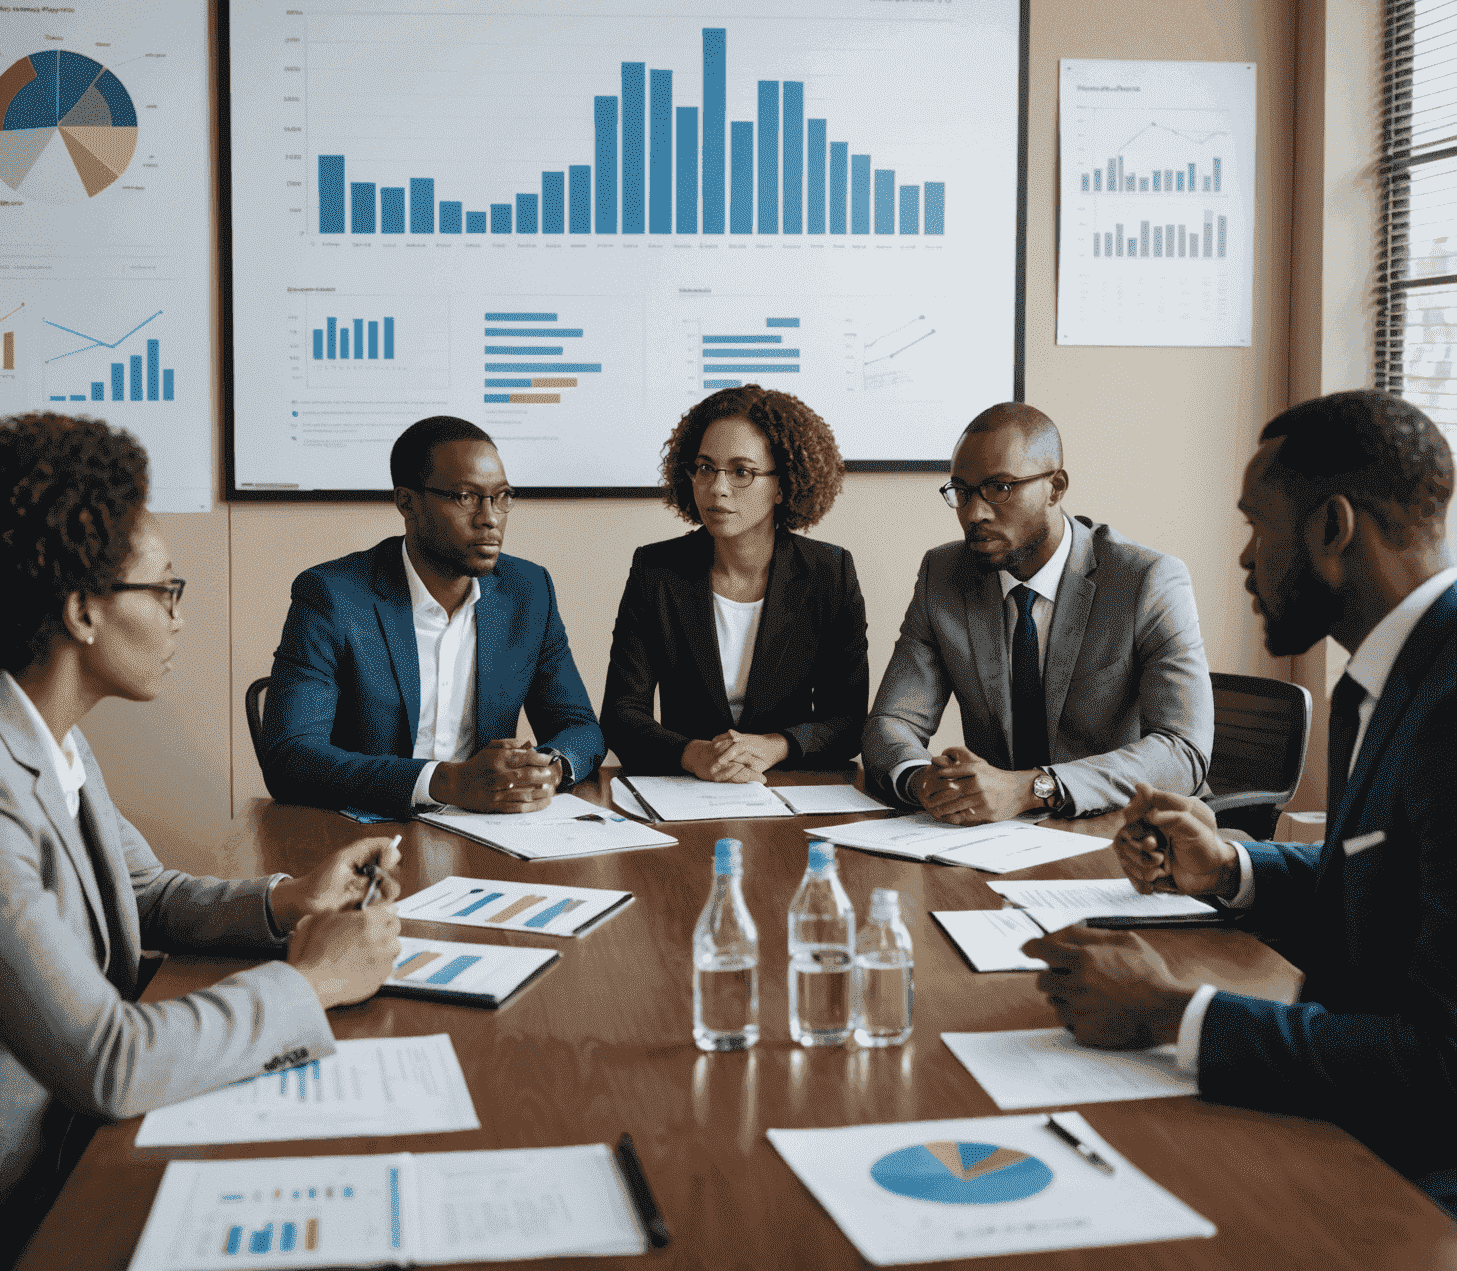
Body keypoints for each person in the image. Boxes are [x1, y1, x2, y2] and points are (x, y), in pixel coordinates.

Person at [0, 414, 402, 1271]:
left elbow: (143, 895)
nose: (179, 618)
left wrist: (286, 900)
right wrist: (311, 982)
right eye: (164, 590)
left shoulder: (42, 732)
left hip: (68, 1139)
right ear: (81, 610)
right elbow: (107, 1060)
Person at [1027, 390, 1457, 1213]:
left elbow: (1444, 1068)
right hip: (1343, 1123)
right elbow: (1388, 883)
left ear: (1332, 528)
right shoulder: (1391, 673)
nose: (1244, 558)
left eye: (1257, 525)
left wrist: (1170, 1013)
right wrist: (1229, 867)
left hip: (1412, 1189)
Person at [862, 401, 1211, 819]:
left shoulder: (1146, 581)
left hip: (1122, 828)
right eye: (962, 492)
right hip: (995, 836)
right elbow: (892, 721)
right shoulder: (944, 575)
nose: (974, 513)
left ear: (1056, 487)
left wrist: (1033, 788)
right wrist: (923, 781)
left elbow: (1182, 750)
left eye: (999, 487)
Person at [262, 415, 604, 818]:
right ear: (407, 502)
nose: (490, 517)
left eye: (502, 496)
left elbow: (581, 727)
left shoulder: (528, 592)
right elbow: (291, 757)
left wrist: (549, 768)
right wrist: (445, 782)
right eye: (465, 497)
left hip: (488, 829)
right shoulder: (333, 596)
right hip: (364, 832)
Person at [602, 385, 867, 780]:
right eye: (706, 468)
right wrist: (693, 754)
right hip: (685, 787)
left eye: (741, 471)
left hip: (790, 783)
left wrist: (775, 746)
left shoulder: (830, 572)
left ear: (782, 485)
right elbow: (621, 715)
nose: (717, 488)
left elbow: (847, 722)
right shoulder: (655, 570)